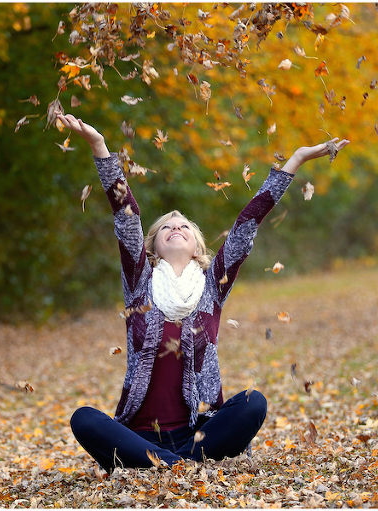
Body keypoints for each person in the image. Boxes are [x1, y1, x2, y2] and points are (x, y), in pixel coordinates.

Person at [56, 113, 349, 474]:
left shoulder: (213, 286)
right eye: (167, 226)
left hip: (198, 436)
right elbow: (126, 216)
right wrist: (99, 147)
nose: (175, 228)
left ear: (197, 247)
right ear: (153, 246)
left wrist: (296, 160)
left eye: (183, 226)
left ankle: (170, 464)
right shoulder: (139, 283)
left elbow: (247, 225)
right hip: (136, 437)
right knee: (84, 418)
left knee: (253, 402)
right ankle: (173, 464)